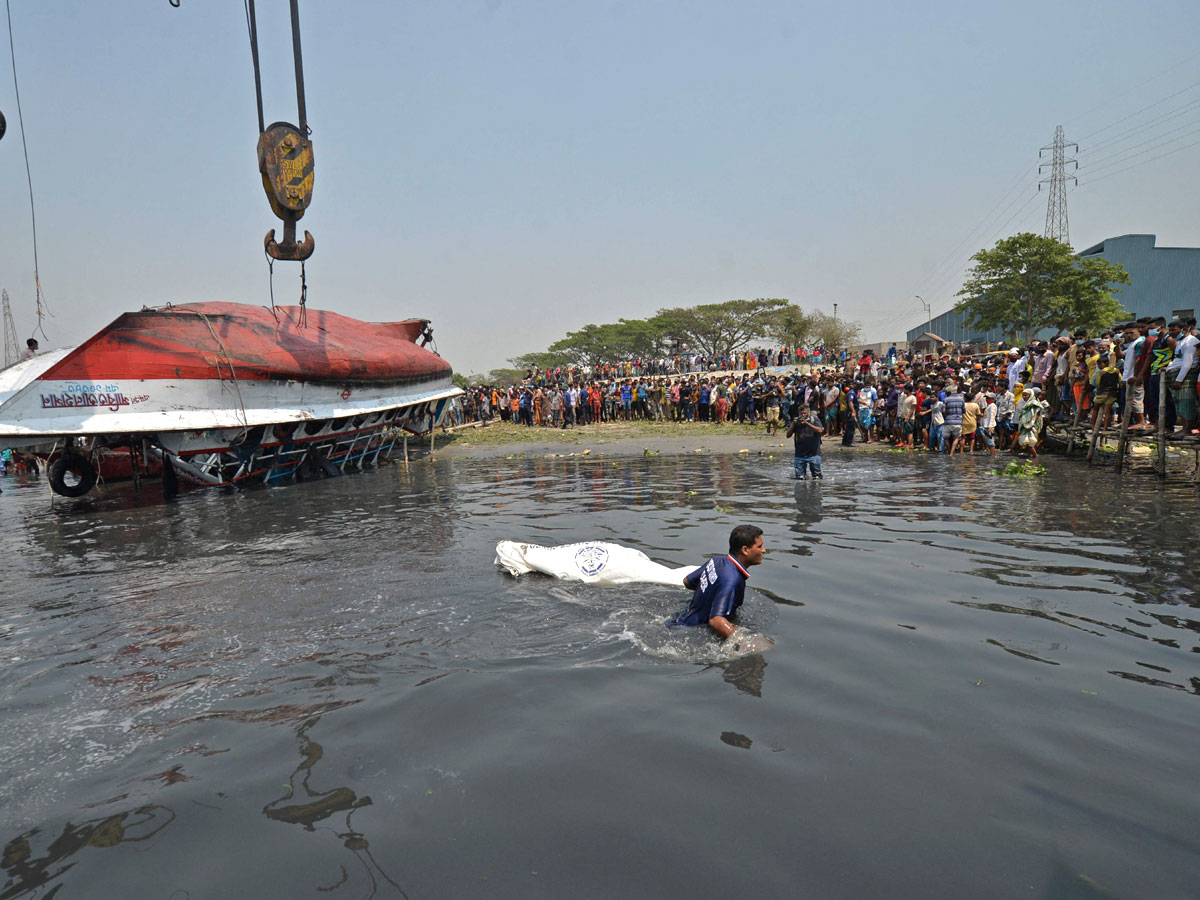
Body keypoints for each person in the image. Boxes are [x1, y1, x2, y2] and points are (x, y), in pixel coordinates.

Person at [668, 525, 767, 644]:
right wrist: (747, 642)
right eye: (759, 546)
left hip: (679, 621)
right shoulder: (733, 579)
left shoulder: (716, 561)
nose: (763, 550)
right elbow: (716, 620)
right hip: (691, 634)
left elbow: (687, 582)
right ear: (745, 550)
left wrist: (709, 594)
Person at [787, 403, 824, 479]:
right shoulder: (796, 421)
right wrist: (794, 425)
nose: (803, 415)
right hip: (800, 454)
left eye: (805, 413)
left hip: (814, 453)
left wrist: (807, 423)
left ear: (808, 413)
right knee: (800, 478)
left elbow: (820, 430)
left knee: (817, 477)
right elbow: (788, 435)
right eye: (801, 413)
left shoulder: (814, 419)